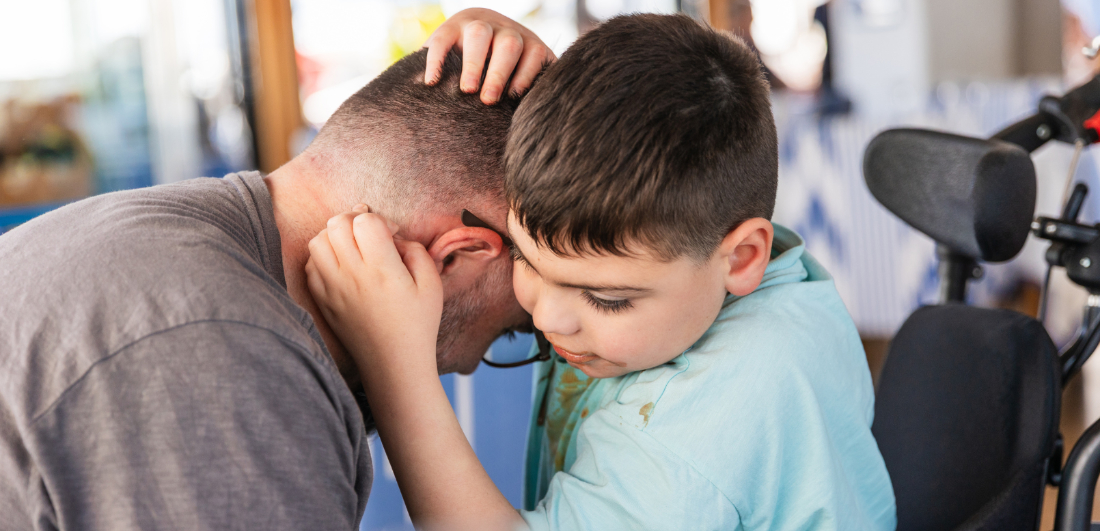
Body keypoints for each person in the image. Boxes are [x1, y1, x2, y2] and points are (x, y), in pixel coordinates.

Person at [306, 13, 897, 531]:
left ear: (742, 258)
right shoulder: (701, 264)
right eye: (526, 261)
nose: (549, 317)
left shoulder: (705, 426)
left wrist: (395, 366)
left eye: (607, 300)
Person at [0, 10, 552, 530]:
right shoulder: (229, 361)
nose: (471, 363)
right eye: (512, 328)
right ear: (456, 255)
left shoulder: (166, 245)